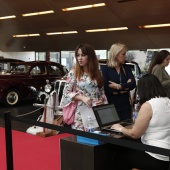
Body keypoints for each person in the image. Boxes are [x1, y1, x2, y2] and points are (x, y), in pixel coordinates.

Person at [111, 74, 170, 170]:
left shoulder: (149, 105)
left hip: (153, 156)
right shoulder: (167, 101)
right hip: (166, 156)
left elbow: (134, 134)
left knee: (119, 156)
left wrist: (120, 128)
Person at [60, 43, 107, 130]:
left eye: (83, 55)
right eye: (78, 55)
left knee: (95, 139)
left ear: (90, 56)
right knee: (81, 140)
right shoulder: (73, 72)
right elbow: (66, 93)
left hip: (96, 110)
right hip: (81, 112)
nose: (80, 58)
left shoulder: (98, 72)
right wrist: (82, 97)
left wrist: (102, 100)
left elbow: (102, 91)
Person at [101, 43, 136, 120]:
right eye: (123, 54)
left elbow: (133, 84)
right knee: (112, 128)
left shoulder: (126, 68)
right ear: (116, 55)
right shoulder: (105, 69)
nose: (125, 56)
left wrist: (119, 86)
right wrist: (126, 85)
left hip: (125, 106)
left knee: (126, 127)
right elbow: (106, 87)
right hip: (111, 106)